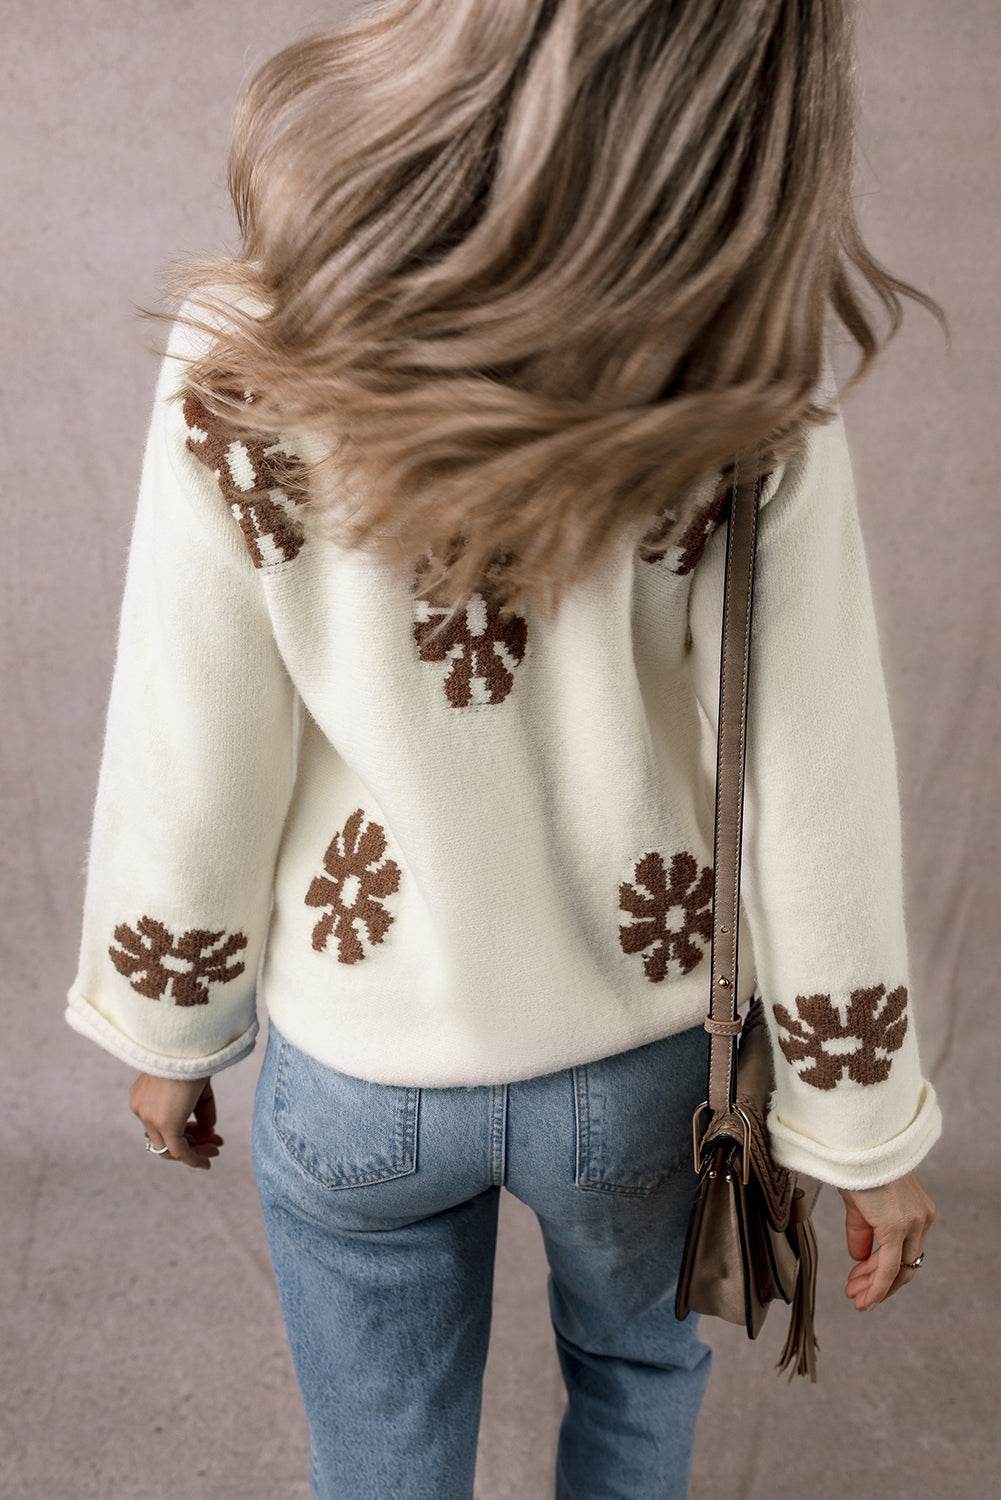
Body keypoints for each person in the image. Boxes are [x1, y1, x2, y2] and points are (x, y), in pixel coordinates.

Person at [68, 2, 942, 1496]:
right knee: (638, 1389)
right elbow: (815, 782)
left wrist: (171, 1028)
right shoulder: (743, 382)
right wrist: (861, 1124)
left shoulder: (250, 346)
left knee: (379, 1452)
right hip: (639, 1052)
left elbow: (193, 722)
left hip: (360, 1043)